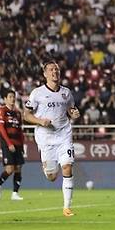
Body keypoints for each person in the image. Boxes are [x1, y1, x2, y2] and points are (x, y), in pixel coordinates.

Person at [24, 60, 81, 217]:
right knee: (51, 176)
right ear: (45, 74)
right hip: (45, 137)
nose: (54, 72)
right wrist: (40, 121)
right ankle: (47, 166)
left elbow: (70, 109)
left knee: (67, 167)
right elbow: (26, 115)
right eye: (51, 70)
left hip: (64, 134)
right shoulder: (37, 93)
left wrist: (74, 113)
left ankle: (67, 207)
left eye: (56, 69)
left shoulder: (66, 93)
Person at [0, 88, 26, 201]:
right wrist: (9, 143)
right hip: (8, 143)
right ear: (5, 99)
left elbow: (20, 130)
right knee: (10, 169)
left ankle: (15, 193)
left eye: (13, 97)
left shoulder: (17, 112)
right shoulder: (1, 110)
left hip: (18, 144)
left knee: (18, 168)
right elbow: (1, 129)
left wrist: (22, 145)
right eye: (10, 97)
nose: (12, 99)